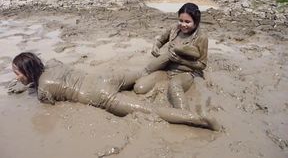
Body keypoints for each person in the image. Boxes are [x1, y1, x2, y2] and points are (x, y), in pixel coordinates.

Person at [9, 52, 220, 131]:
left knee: (149, 110)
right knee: (141, 71)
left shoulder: (43, 90)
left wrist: (31, 88)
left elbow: (51, 106)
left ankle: (199, 119)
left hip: (98, 95)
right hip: (104, 77)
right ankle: (167, 69)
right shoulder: (54, 62)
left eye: (17, 73)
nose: (15, 76)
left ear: (27, 72)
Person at [134, 3, 208, 111]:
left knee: (174, 86)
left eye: (187, 22)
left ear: (196, 22)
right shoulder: (174, 28)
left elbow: (202, 65)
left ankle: (186, 116)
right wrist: (156, 46)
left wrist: (181, 60)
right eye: (181, 20)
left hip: (187, 72)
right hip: (167, 68)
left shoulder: (202, 38)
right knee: (139, 88)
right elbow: (160, 40)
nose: (183, 25)